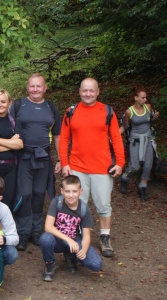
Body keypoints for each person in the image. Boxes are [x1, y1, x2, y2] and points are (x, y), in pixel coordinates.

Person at [59, 78, 125, 257]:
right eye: (84, 90)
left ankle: (105, 238)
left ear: (98, 91)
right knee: (76, 204)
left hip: (102, 168)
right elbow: (64, 139)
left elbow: (116, 138)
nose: (88, 94)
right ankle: (77, 236)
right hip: (77, 167)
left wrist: (120, 162)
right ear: (79, 91)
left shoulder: (107, 111)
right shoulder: (71, 112)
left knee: (103, 205)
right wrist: (64, 163)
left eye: (91, 91)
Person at [9, 73, 61, 251]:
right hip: (23, 156)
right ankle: (22, 233)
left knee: (39, 194)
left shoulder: (51, 107)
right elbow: (9, 129)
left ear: (45, 88)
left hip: (43, 158)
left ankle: (36, 232)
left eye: (39, 86)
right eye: (32, 86)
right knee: (24, 194)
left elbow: (57, 135)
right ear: (27, 88)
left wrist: (60, 159)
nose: (35, 89)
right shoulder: (18, 105)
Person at [40, 175, 103, 282]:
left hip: (75, 242)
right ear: (62, 191)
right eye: (67, 191)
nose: (71, 195)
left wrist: (84, 249)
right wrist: (68, 240)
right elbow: (48, 227)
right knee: (45, 238)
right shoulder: (57, 202)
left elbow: (86, 235)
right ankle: (50, 264)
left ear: (80, 191)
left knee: (96, 264)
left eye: (74, 191)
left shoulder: (83, 209)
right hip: (57, 240)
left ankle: (70, 256)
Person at [119, 86, 160, 200]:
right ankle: (124, 178)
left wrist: (155, 117)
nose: (145, 99)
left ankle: (142, 188)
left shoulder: (148, 107)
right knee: (135, 166)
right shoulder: (129, 111)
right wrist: (113, 136)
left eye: (145, 97)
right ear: (136, 98)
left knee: (148, 166)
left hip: (148, 140)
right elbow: (125, 127)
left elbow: (152, 120)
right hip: (135, 141)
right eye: (142, 97)